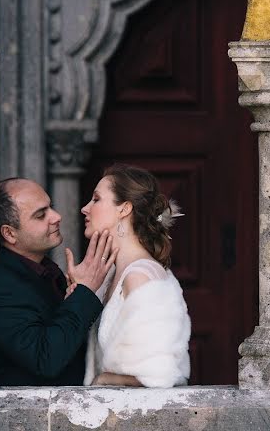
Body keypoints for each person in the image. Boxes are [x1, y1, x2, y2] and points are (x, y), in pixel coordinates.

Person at [0, 178, 118, 386]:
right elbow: (45, 359)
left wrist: (75, 296)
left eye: (51, 207)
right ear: (9, 233)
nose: (56, 217)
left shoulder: (40, 270)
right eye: (40, 215)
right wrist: (85, 292)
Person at [79, 164, 191, 388]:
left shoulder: (140, 277)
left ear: (124, 209)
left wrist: (101, 381)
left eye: (96, 199)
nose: (85, 208)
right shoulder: (112, 275)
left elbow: (161, 375)